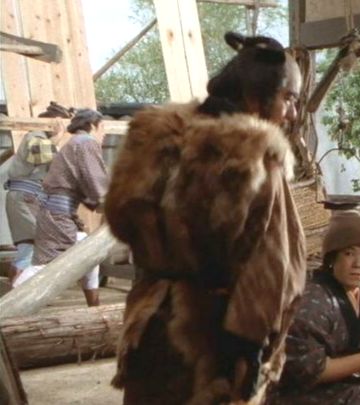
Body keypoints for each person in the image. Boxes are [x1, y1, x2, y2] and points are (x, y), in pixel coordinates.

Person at [104, 32, 306, 404]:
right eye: (289, 98)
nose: (292, 113)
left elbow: (121, 218)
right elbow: (274, 271)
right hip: (211, 340)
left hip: (150, 328)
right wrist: (251, 351)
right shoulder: (255, 159)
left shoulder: (153, 139)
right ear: (257, 95)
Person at [267, 210, 360, 404]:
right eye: (349, 253)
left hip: (344, 388)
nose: (358, 264)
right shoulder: (313, 302)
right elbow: (307, 371)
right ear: (332, 258)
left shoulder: (359, 297)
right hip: (298, 396)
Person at [13, 108, 108, 307]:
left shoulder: (74, 143)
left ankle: (94, 307)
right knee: (44, 267)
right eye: (103, 128)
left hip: (56, 214)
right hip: (58, 217)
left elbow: (86, 185)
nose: (105, 134)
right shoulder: (86, 143)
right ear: (92, 126)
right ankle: (10, 303)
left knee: (90, 255)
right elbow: (95, 181)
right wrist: (109, 203)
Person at [4, 102, 74, 283]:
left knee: (30, 247)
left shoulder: (42, 139)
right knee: (31, 245)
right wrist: (58, 135)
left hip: (30, 198)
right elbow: (40, 153)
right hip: (25, 198)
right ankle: (17, 291)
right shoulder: (35, 135)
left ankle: (18, 289)